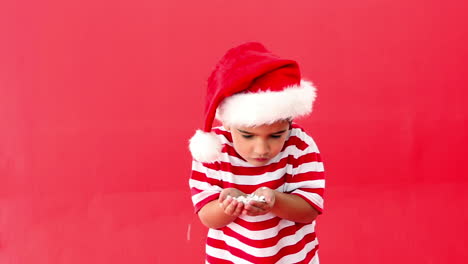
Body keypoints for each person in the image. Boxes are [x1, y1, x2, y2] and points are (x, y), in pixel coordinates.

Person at [188, 42, 325, 264]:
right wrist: (228, 207)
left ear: (288, 125)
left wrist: (275, 201)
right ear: (229, 124)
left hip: (293, 258)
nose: (262, 149)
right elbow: (207, 217)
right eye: (248, 136)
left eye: (275, 135)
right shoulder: (215, 150)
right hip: (231, 258)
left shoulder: (300, 145)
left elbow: (310, 209)